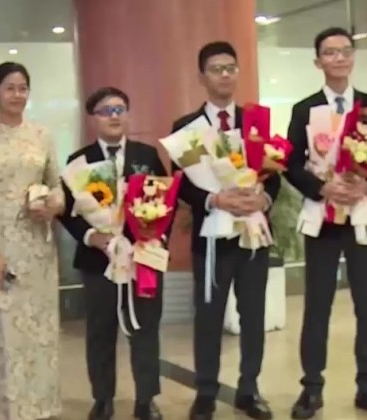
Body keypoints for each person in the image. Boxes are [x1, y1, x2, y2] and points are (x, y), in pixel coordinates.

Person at [171, 42, 280, 420]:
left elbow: (273, 172)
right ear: (201, 77)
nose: (225, 75)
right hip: (211, 239)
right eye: (216, 69)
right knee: (208, 317)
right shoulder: (186, 128)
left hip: (253, 236)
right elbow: (180, 185)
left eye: (231, 68)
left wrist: (263, 199)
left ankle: (249, 389)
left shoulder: (255, 122)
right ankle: (205, 392)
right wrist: (214, 199)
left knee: (253, 315)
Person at [59, 87, 165, 420]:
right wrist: (93, 236)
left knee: (145, 329)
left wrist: (152, 236)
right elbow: (67, 212)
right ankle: (102, 398)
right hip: (99, 261)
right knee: (100, 331)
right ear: (93, 119)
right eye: (106, 111)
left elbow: (166, 201)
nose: (114, 116)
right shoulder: (78, 161)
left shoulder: (147, 155)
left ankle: (146, 399)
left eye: (120, 109)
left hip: (142, 258)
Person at [0, 62, 63, 420]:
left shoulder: (42, 134)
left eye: (23, 88)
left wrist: (54, 205)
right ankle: (12, 411)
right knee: (7, 334)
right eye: (9, 88)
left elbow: (57, 184)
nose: (17, 95)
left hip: (39, 246)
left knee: (43, 333)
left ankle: (43, 408)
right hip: (1, 248)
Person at [284, 27, 367, 420]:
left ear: (353, 57)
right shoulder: (305, 109)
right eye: (330, 52)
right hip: (323, 219)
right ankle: (311, 389)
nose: (339, 58)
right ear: (318, 61)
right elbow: (290, 163)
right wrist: (323, 188)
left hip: (363, 217)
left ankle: (366, 385)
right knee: (317, 306)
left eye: (345, 51)